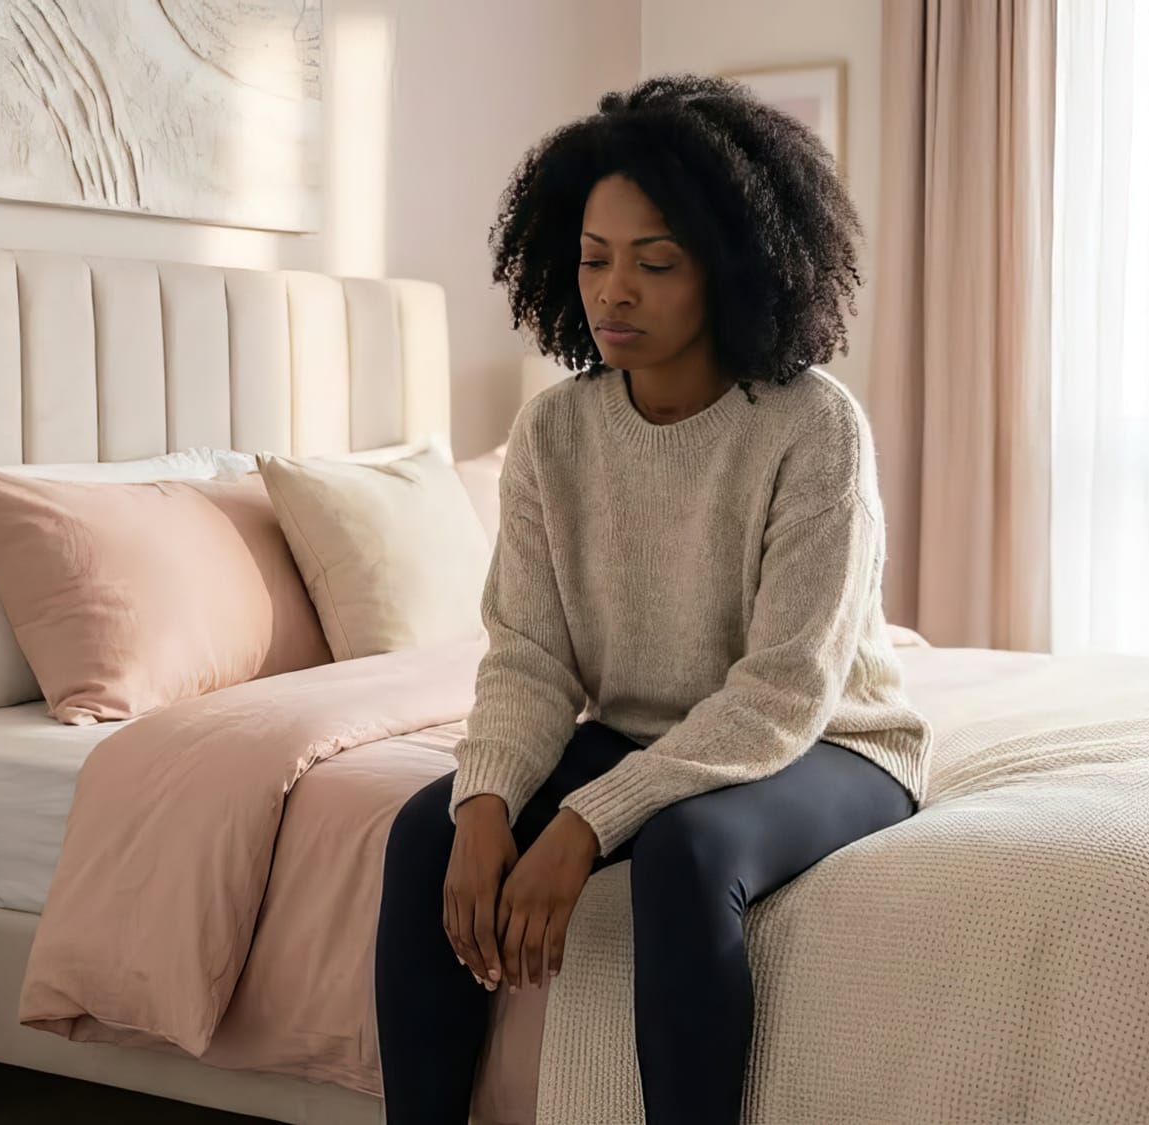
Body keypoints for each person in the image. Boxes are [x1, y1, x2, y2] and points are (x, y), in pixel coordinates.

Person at [373, 74, 934, 1125]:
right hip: (641, 732)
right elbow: (531, 656)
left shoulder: (813, 427)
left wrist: (585, 821)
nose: (612, 291)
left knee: (686, 853)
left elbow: (782, 691)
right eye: (592, 259)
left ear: (727, 270)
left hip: (832, 742)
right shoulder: (553, 432)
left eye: (655, 263)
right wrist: (490, 800)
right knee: (428, 831)